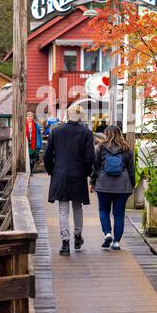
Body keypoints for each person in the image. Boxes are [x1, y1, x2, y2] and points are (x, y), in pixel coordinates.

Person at [44, 105, 95, 256]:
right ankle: (78, 237)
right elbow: (90, 157)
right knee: (77, 207)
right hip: (78, 174)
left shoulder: (56, 131)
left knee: (63, 209)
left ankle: (65, 243)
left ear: (67, 115)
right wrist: (86, 172)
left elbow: (48, 154)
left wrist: (52, 170)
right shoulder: (86, 133)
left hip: (60, 173)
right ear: (80, 117)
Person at [90, 125, 135, 251]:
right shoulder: (127, 149)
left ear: (106, 134)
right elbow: (131, 170)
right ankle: (116, 242)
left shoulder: (100, 147)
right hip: (122, 186)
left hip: (104, 184)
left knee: (103, 210)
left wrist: (93, 183)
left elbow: (95, 167)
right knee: (119, 214)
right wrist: (132, 185)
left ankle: (107, 233)